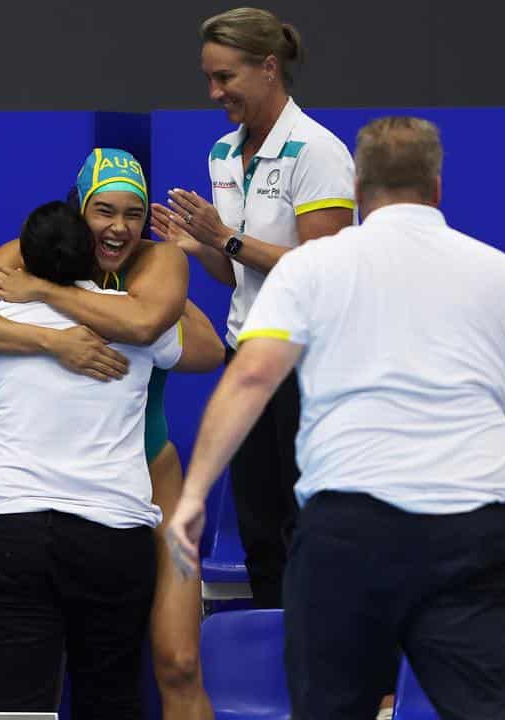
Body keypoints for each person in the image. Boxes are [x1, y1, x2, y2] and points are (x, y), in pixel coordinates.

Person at [166, 116, 505, 719]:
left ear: (359, 189)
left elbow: (252, 376)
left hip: (347, 533)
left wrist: (193, 496)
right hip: (470, 533)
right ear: (438, 186)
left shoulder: (307, 271)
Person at [0, 148, 222, 720]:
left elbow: (184, 340)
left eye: (133, 213)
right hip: (75, 507)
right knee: (46, 689)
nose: (119, 227)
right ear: (78, 210)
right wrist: (54, 340)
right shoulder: (22, 255)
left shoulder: (157, 264)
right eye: (103, 211)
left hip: (145, 480)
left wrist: (48, 296)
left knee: (178, 662)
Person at [150, 7, 356, 609]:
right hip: (249, 355)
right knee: (261, 526)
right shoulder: (222, 154)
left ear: (269, 68)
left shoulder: (317, 151)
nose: (215, 93)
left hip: (310, 363)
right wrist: (202, 246)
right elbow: (235, 271)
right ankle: (277, 670)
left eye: (225, 78)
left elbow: (328, 268)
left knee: (313, 527)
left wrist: (224, 239)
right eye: (209, 79)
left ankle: (343, 678)